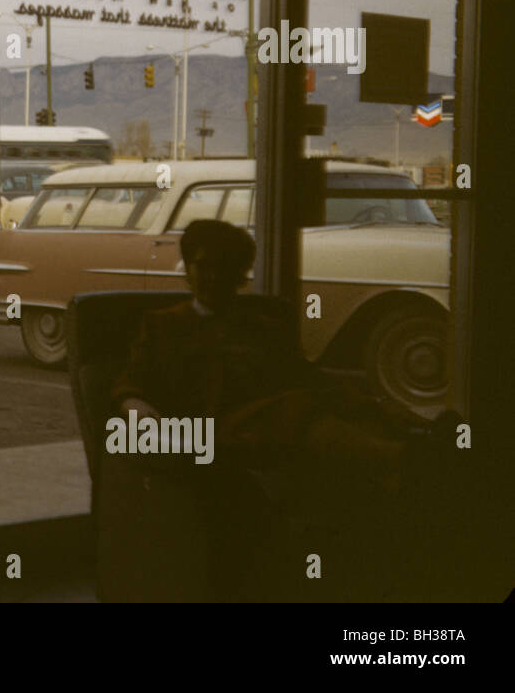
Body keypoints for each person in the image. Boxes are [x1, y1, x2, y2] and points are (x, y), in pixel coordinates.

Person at [111, 219, 459, 598]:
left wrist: (379, 407)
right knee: (296, 407)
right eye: (203, 265)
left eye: (225, 267)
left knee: (331, 402)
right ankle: (403, 457)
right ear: (188, 268)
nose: (213, 276)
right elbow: (132, 382)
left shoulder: (262, 324)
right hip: (214, 428)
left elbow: (308, 378)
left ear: (241, 274)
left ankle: (414, 446)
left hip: (279, 419)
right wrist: (139, 410)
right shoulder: (163, 326)